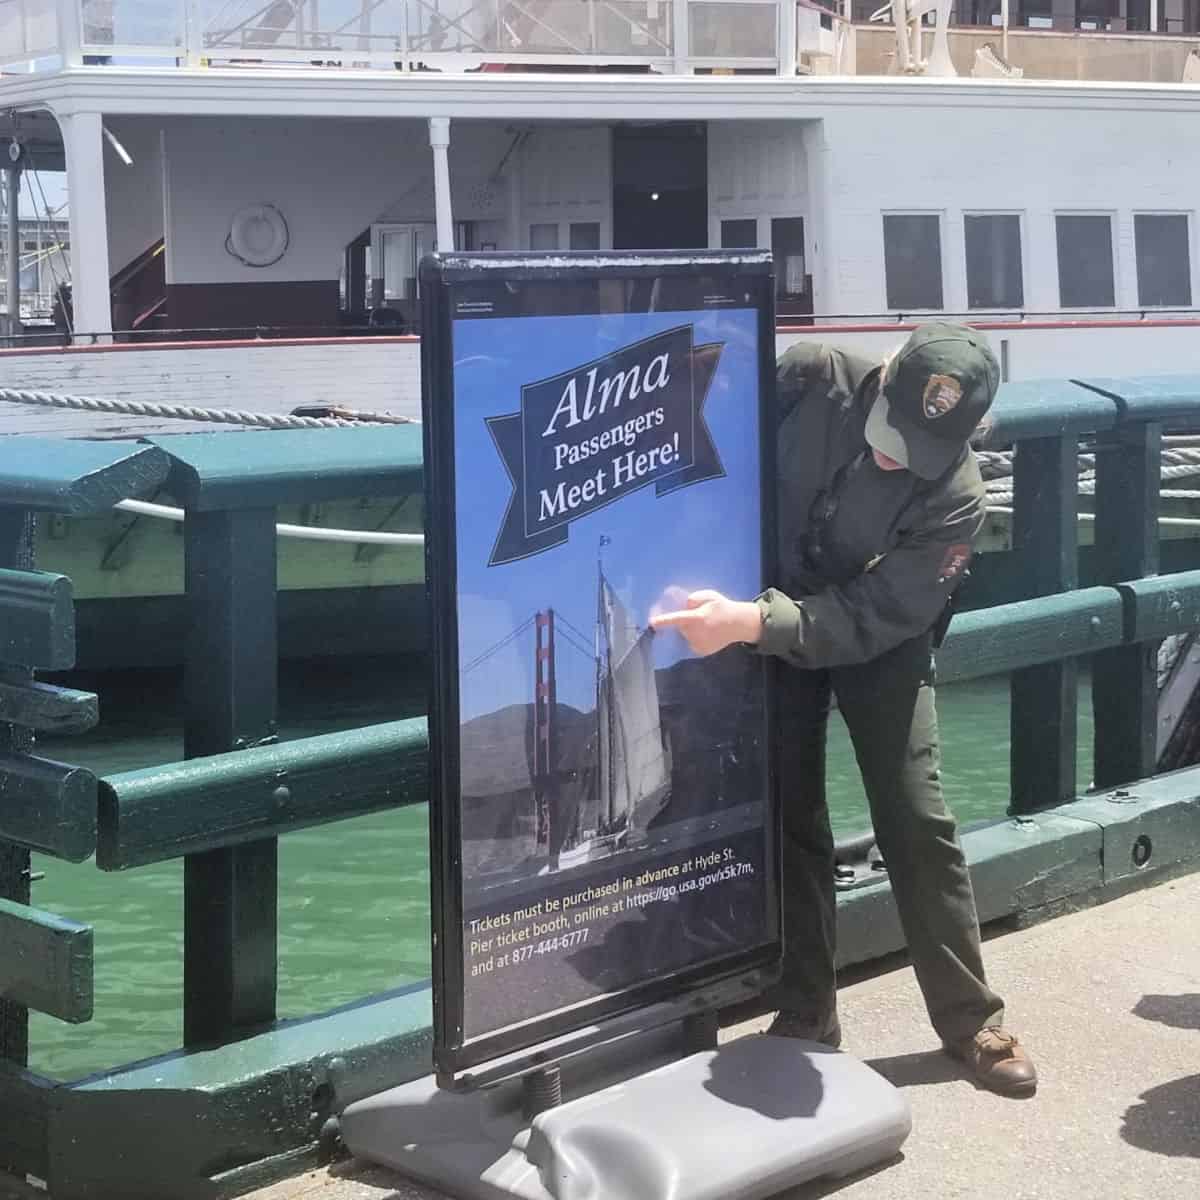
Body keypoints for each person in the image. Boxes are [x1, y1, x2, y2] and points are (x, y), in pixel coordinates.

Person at [650, 322, 1037, 1097]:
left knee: (914, 815)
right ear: (884, 375)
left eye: (918, 453)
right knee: (790, 809)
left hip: (872, 635)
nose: (896, 458)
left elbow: (875, 613)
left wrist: (754, 623)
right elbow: (714, 431)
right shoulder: (811, 375)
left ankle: (972, 1021)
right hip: (767, 604)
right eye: (892, 433)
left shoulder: (957, 494)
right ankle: (805, 1008)